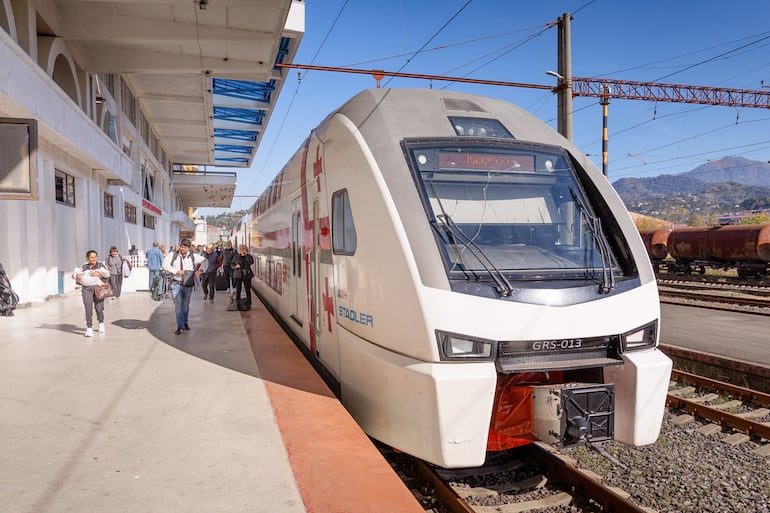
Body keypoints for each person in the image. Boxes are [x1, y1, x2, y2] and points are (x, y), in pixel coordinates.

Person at [162, 238, 208, 334]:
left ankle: (185, 322)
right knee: (178, 306)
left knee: (185, 306)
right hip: (176, 284)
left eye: (186, 247)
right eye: (182, 247)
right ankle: (180, 326)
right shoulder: (173, 255)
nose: (183, 249)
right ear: (180, 246)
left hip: (188, 285)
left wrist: (201, 271)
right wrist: (176, 271)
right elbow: (165, 264)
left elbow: (205, 261)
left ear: (189, 248)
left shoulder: (193, 256)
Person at [75, 250, 110, 337]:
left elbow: (107, 278)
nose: (94, 259)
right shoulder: (84, 266)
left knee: (99, 308)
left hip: (98, 289)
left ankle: (101, 323)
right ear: (88, 258)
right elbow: (78, 280)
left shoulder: (101, 266)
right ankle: (89, 328)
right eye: (91, 257)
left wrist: (99, 275)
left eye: (95, 257)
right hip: (86, 290)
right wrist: (77, 277)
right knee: (88, 308)